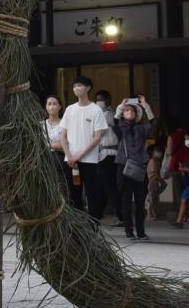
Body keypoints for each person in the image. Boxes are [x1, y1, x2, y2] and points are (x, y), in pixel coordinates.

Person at [110, 96, 154, 240]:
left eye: (132, 110)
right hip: (123, 167)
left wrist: (146, 107)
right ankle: (129, 231)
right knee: (126, 200)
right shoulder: (121, 129)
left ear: (136, 114)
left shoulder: (141, 128)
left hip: (140, 167)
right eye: (127, 110)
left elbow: (153, 123)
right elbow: (114, 122)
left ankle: (141, 232)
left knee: (140, 200)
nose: (129, 112)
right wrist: (120, 107)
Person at [61, 76, 107, 213]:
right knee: (74, 193)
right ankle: (78, 227)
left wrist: (79, 155)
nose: (76, 88)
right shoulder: (69, 109)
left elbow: (97, 138)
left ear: (88, 88)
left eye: (79, 86)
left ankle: (92, 226)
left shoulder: (96, 110)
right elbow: (63, 135)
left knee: (91, 193)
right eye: (74, 86)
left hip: (89, 160)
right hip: (70, 161)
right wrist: (69, 155)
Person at [90, 88, 120, 224]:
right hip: (104, 155)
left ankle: (122, 216)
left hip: (108, 155)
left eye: (101, 99)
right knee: (101, 187)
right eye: (96, 99)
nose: (98, 102)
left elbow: (98, 133)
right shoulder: (104, 114)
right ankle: (96, 216)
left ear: (107, 101)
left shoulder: (107, 114)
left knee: (109, 186)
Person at [43, 95, 71, 198]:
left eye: (55, 104)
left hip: (61, 162)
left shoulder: (65, 124)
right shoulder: (41, 125)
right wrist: (56, 144)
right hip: (44, 162)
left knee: (62, 188)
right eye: (49, 104)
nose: (52, 106)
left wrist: (48, 144)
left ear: (60, 107)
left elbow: (67, 144)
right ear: (46, 107)